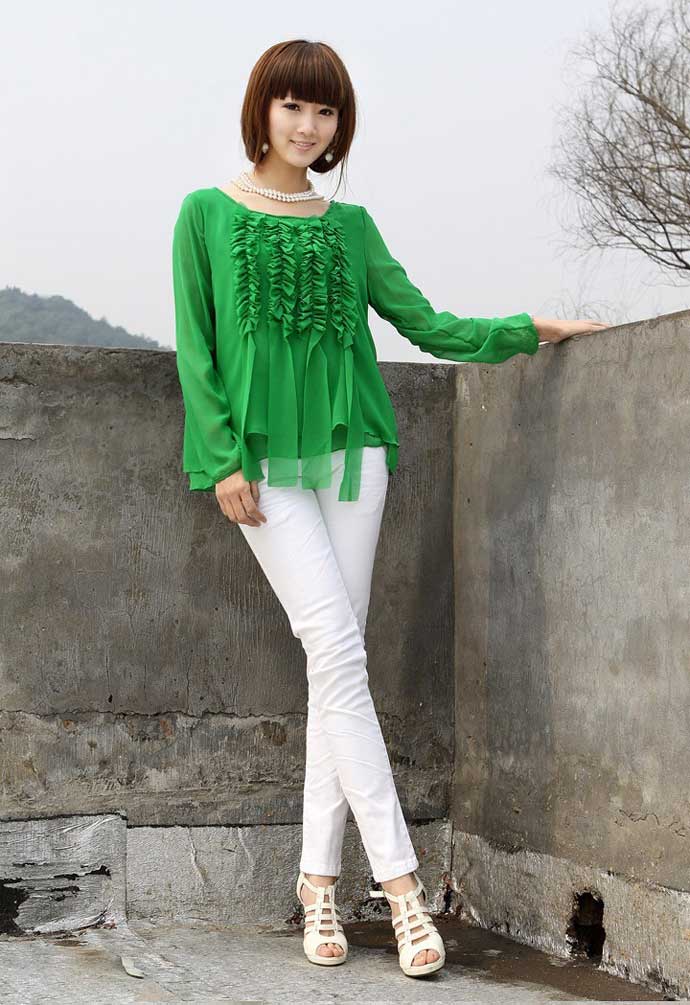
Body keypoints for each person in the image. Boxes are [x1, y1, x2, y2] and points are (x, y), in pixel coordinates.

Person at [171, 39, 611, 979]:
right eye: (293, 106)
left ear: (340, 124)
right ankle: (404, 888)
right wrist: (220, 460)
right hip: (265, 469)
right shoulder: (204, 214)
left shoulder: (352, 227)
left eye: (325, 111)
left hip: (356, 456)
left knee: (335, 666)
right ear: (262, 111)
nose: (308, 125)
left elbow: (424, 322)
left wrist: (525, 330)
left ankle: (318, 884)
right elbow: (196, 350)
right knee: (337, 651)